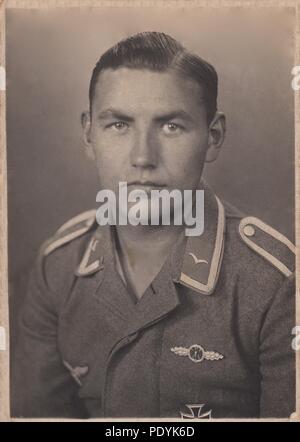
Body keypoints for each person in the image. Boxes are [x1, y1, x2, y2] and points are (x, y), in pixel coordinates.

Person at [12, 31, 295, 419]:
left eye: (171, 126)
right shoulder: (58, 267)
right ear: (88, 132)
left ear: (213, 136)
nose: (143, 157)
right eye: (119, 125)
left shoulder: (277, 282)